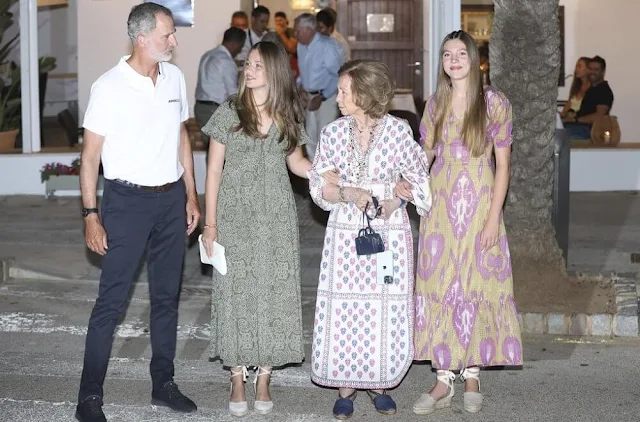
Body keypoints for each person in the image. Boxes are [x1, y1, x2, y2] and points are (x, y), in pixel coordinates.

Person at [76, 3, 199, 421]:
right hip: (125, 204)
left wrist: (191, 195)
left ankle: (163, 384)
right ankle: (89, 397)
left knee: (166, 299)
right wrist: (91, 214)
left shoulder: (176, 78)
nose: (174, 40)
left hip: (170, 202)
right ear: (142, 38)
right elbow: (90, 157)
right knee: (111, 303)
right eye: (168, 34)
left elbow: (181, 137)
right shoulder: (109, 86)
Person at [200, 41, 336, 418]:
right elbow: (212, 171)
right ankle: (237, 377)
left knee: (273, 291)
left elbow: (297, 162)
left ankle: (264, 376)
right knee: (236, 292)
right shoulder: (229, 110)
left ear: (273, 71)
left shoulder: (286, 114)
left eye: (258, 65)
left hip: (275, 215)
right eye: (248, 64)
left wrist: (328, 176)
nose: (250, 69)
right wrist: (210, 224)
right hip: (234, 214)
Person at [396, 30, 522, 416]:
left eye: (460, 53)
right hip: (440, 208)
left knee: (475, 284)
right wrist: (406, 180)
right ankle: (442, 377)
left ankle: (472, 374)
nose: (453, 59)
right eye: (447, 54)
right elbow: (426, 155)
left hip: (481, 202)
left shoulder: (495, 103)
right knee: (441, 285)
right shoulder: (435, 104)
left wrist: (492, 219)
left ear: (474, 59)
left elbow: (503, 168)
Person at [308, 59, 432, 420]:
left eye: (345, 91)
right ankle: (346, 386)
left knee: (384, 305)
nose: (338, 97)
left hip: (388, 233)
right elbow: (319, 186)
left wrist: (398, 197)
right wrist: (345, 192)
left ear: (364, 94)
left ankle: (379, 383)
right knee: (346, 307)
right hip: (346, 233)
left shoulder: (398, 131)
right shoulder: (332, 133)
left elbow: (419, 179)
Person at [294, 13, 344, 161]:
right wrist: (300, 88)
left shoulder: (327, 46)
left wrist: (322, 97)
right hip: (308, 96)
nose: (295, 34)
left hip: (326, 97)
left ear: (310, 30)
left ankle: (328, 175)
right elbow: (302, 71)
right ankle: (312, 175)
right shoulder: (301, 46)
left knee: (326, 136)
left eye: (298, 31)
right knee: (309, 136)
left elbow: (338, 75)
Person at [194, 27, 247, 155]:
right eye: (240, 48)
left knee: (211, 149)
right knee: (222, 152)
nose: (239, 51)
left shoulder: (207, 55)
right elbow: (232, 93)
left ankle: (211, 175)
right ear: (235, 44)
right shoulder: (226, 62)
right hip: (214, 110)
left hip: (200, 108)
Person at [563, 55, 614, 139]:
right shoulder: (591, 90)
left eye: (596, 70)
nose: (592, 72)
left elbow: (599, 116)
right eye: (590, 69)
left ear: (603, 72)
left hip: (589, 130)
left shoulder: (604, 91)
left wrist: (575, 120)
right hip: (578, 127)